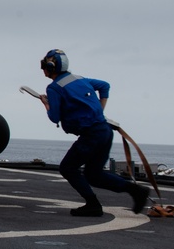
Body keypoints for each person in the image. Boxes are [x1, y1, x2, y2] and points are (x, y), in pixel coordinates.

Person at [37, 49, 149, 217]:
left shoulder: (54, 88)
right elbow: (105, 85)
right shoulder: (80, 79)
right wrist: (100, 110)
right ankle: (136, 190)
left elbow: (54, 117)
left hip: (91, 135)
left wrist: (45, 103)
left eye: (44, 66)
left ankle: (93, 204)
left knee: (67, 168)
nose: (43, 70)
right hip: (104, 131)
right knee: (94, 175)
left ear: (51, 67)